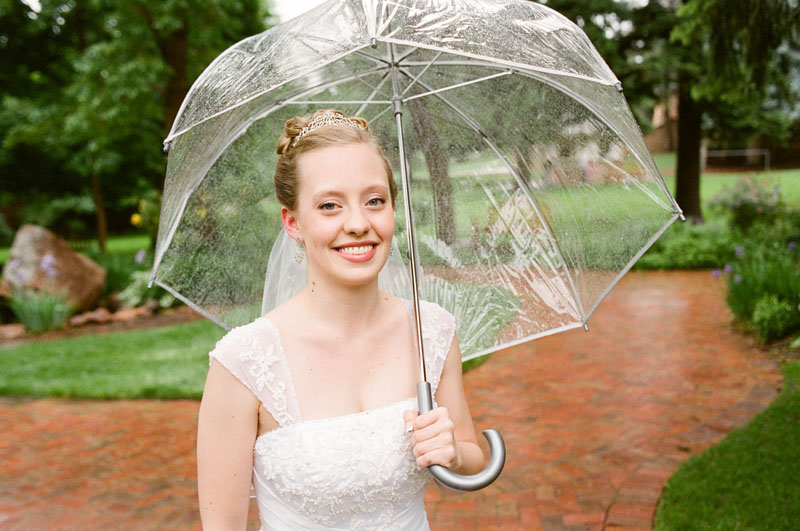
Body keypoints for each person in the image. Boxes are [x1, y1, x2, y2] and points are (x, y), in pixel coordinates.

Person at [196, 109, 485, 530]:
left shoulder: (431, 331)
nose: (358, 224)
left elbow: (472, 456)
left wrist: (453, 454)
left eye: (375, 201)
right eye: (330, 206)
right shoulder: (244, 362)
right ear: (293, 222)